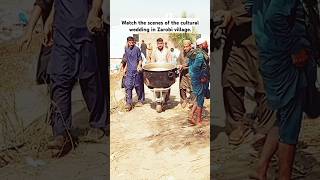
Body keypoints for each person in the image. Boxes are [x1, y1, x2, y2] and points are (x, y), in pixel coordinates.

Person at [250, 0, 314, 179]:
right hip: (286, 61)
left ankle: (260, 170)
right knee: (291, 123)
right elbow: (274, 17)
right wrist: (295, 48)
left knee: (284, 117)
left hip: (271, 56)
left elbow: (251, 7)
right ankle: (284, 176)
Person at [44, 0, 107, 149]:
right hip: (62, 32)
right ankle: (61, 134)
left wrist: (93, 13)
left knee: (89, 79)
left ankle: (98, 124)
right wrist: (50, 20)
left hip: (84, 29)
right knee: (59, 78)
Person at [213, 0, 276, 145]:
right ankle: (237, 125)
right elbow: (219, 6)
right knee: (230, 80)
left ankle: (265, 127)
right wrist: (220, 15)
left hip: (260, 35)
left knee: (263, 84)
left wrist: (233, 15)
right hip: (233, 40)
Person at [19, 0, 54, 84]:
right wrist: (29, 31)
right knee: (44, 75)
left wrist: (49, 21)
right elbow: (41, 3)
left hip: (74, 35)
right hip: (52, 37)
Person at [187, 38, 210, 126]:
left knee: (198, 97)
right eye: (205, 44)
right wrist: (202, 77)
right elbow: (197, 67)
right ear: (200, 45)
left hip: (195, 78)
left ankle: (191, 115)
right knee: (200, 99)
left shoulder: (194, 53)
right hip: (200, 79)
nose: (207, 45)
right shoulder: (200, 54)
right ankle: (199, 120)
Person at [123, 36, 145, 111]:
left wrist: (139, 66)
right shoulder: (126, 48)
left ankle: (140, 100)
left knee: (138, 86)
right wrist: (124, 69)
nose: (131, 44)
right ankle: (129, 103)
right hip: (129, 71)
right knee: (128, 86)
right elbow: (126, 59)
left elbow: (140, 59)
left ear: (134, 42)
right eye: (129, 42)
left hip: (137, 71)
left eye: (132, 42)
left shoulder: (137, 49)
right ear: (127, 42)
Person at [177, 40, 194, 108]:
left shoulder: (194, 53)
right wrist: (178, 65)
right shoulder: (181, 53)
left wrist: (184, 66)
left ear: (190, 46)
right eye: (184, 47)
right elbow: (178, 60)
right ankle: (184, 100)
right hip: (183, 74)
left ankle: (192, 101)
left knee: (192, 89)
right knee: (182, 87)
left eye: (186, 46)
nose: (185, 48)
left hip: (191, 74)